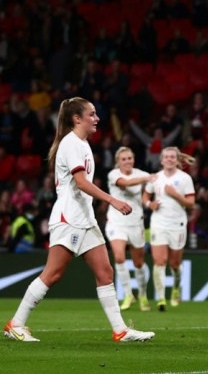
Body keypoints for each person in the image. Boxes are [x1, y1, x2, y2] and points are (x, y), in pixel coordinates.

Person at [4, 97, 154, 342]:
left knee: (105, 273)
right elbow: (81, 182)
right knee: (53, 274)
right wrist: (112, 200)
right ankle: (16, 324)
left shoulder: (81, 143)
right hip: (69, 217)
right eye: (92, 114)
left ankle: (120, 330)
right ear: (77, 119)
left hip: (85, 218)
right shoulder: (71, 143)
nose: (97, 119)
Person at [142, 146, 196, 312]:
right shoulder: (155, 178)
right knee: (159, 261)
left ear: (178, 160)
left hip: (178, 224)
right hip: (158, 223)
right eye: (167, 157)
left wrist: (175, 194)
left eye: (173, 157)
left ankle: (176, 288)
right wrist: (149, 204)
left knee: (174, 264)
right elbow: (145, 196)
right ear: (161, 160)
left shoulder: (185, 178)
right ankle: (160, 298)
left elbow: (191, 204)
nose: (170, 159)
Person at [106, 147, 153, 311]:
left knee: (138, 263)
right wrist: (147, 178)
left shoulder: (140, 173)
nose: (127, 161)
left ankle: (142, 295)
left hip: (135, 223)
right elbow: (125, 183)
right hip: (116, 222)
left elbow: (153, 185)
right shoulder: (113, 175)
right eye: (123, 159)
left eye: (129, 158)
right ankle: (128, 294)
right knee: (119, 257)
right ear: (118, 162)